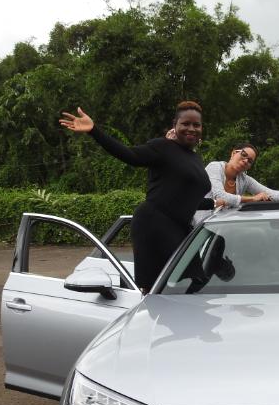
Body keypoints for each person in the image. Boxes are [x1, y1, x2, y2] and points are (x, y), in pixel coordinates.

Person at [59, 101, 220, 293]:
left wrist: (214, 203)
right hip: (154, 224)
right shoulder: (162, 147)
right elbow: (129, 155)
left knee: (194, 283)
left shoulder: (194, 158)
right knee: (161, 289)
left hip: (178, 228)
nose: (191, 128)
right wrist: (94, 131)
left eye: (196, 125)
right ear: (175, 125)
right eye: (185, 123)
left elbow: (182, 198)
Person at [193, 143, 279, 224]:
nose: (245, 161)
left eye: (250, 161)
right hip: (200, 227)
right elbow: (220, 196)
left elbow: (270, 193)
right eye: (243, 155)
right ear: (233, 153)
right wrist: (252, 199)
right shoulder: (215, 167)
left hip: (222, 227)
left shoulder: (244, 180)